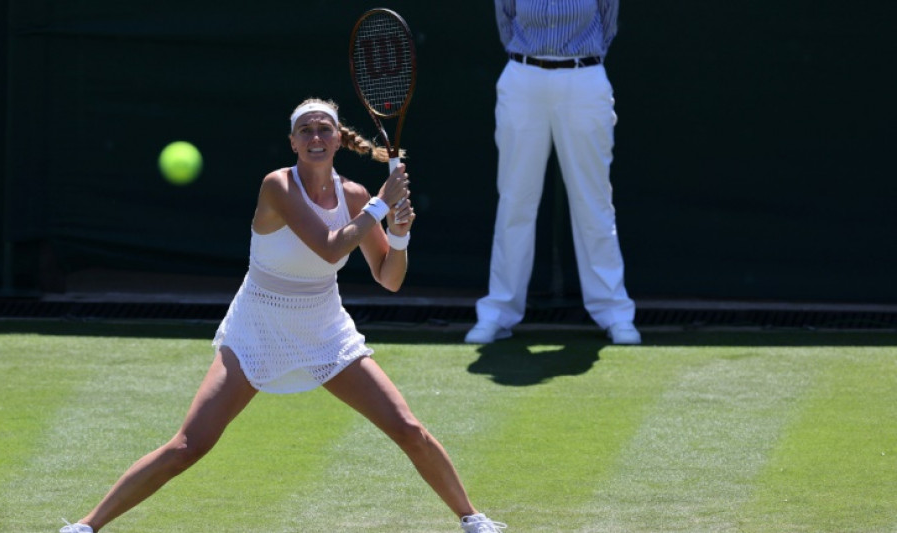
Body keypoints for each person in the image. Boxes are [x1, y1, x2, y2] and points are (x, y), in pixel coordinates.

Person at [60, 98, 506, 533]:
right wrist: (381, 206)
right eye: (306, 130)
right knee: (188, 446)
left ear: (337, 140)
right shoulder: (278, 185)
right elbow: (331, 245)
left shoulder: (354, 195)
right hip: (259, 325)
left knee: (407, 427)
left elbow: (389, 278)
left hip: (325, 327)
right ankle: (85, 527)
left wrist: (401, 235)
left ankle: (472, 519)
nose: (315, 137)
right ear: (293, 142)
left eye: (324, 129)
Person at [465, 0, 641, 346]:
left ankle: (614, 313)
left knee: (594, 202)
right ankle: (498, 312)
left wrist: (577, 63)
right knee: (515, 201)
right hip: (523, 80)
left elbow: (608, 22)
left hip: (584, 79)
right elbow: (507, 20)